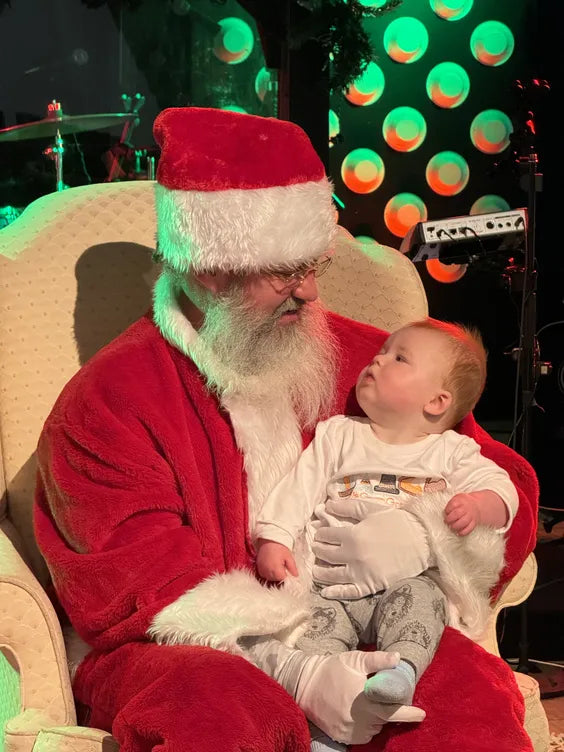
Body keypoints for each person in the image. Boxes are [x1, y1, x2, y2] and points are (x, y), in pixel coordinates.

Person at [33, 106, 538, 752]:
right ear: (211, 267)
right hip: (184, 646)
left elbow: (499, 480)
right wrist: (296, 669)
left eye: (312, 266)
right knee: (215, 705)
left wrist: (425, 533)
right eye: (284, 272)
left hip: (366, 612)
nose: (308, 293)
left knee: (462, 688)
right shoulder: (107, 402)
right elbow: (132, 590)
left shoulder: (371, 365)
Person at [254, 319, 518, 750]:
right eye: (383, 351)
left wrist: (478, 505)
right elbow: (298, 487)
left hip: (405, 583)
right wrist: (275, 538)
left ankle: (401, 672)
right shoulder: (339, 433)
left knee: (422, 603)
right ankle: (325, 731)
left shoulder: (451, 451)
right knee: (314, 637)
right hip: (333, 585)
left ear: (437, 401)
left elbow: (505, 491)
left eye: (400, 357)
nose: (378, 358)